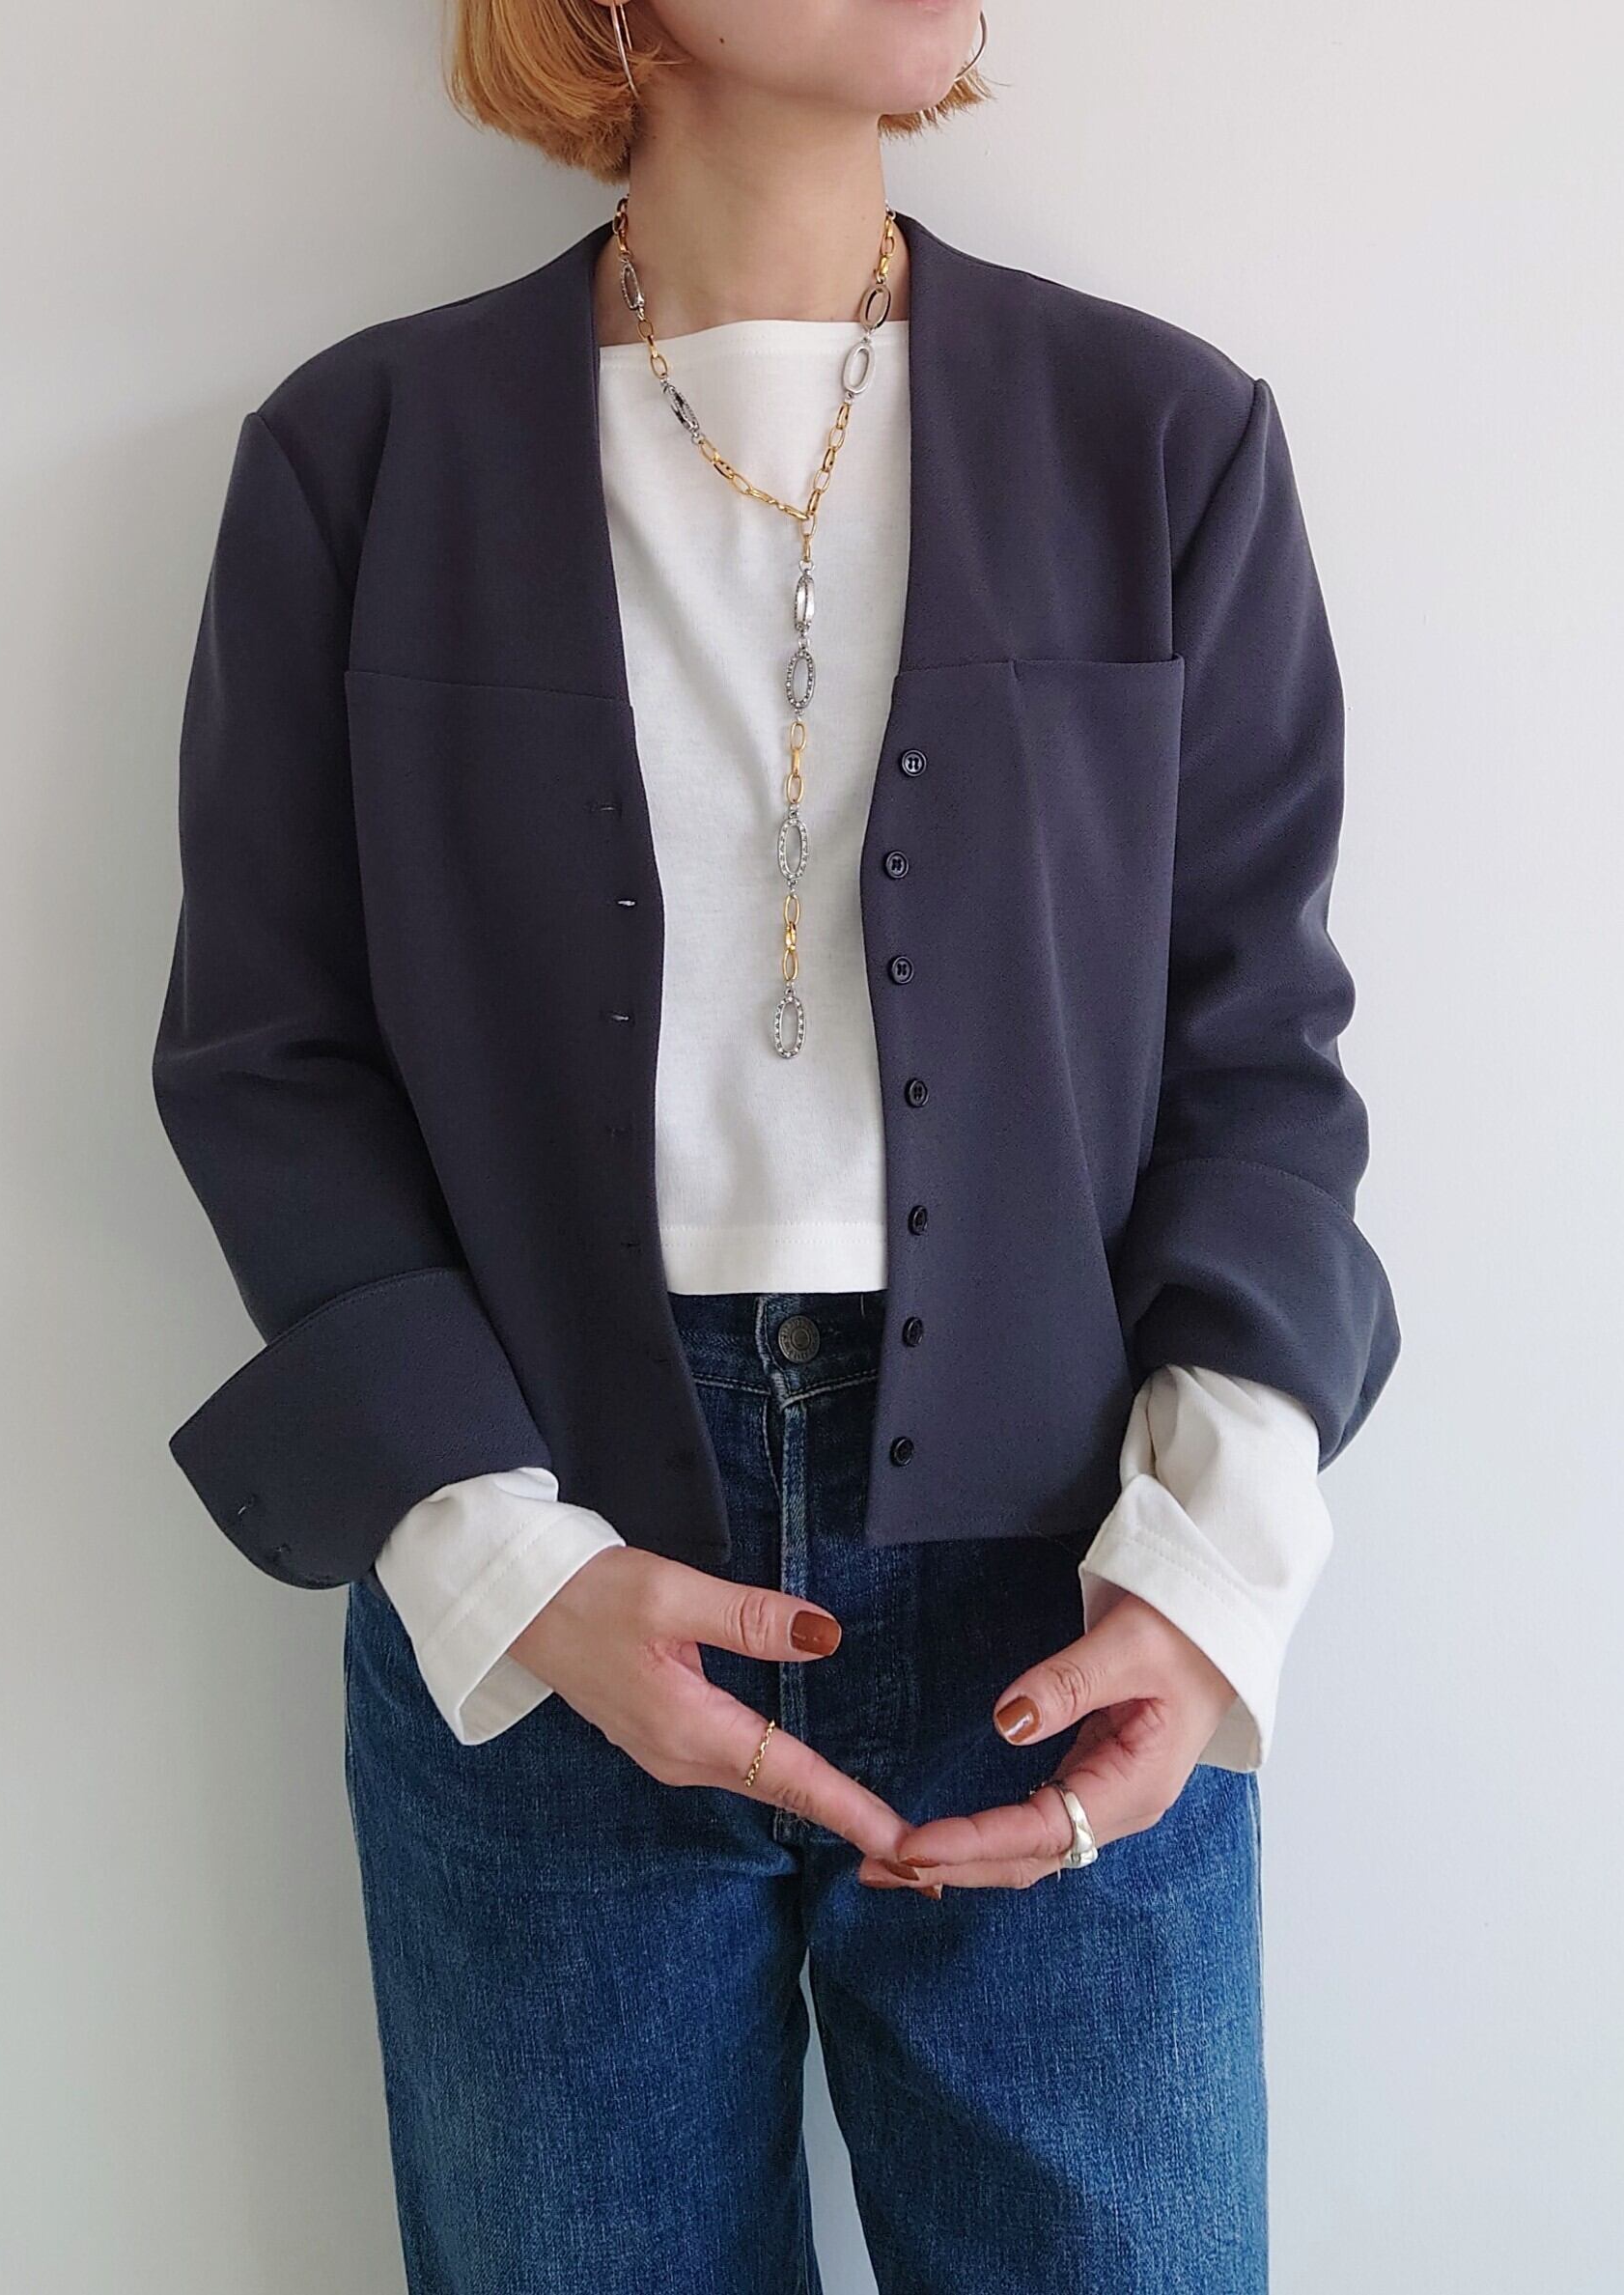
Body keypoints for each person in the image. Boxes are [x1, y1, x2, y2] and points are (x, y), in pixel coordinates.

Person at [152, 5, 1401, 2287]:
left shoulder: (1158, 434)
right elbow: (272, 1053)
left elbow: (1259, 1055)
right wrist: (507, 1566)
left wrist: (1204, 1570)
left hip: (1068, 1577)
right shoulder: (364, 454)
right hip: (550, 1549)